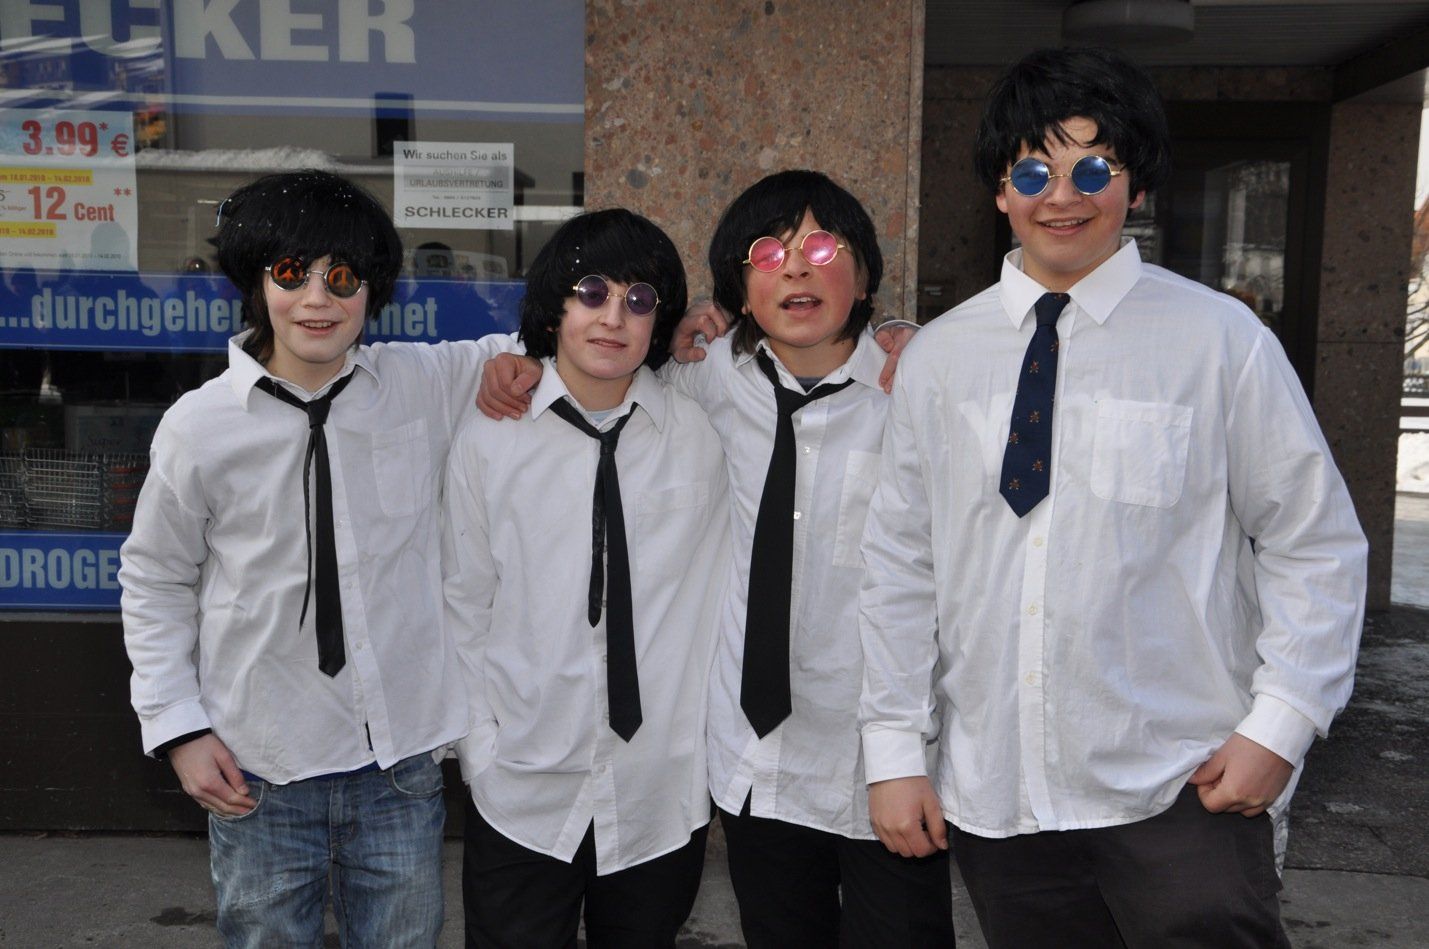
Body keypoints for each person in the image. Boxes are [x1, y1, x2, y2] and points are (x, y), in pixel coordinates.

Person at [858, 47, 1368, 948]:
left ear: (1134, 185)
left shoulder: (1220, 340)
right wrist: (894, 751)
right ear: (1000, 191)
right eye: (1032, 172)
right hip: (1001, 793)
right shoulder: (938, 359)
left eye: (1092, 168)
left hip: (1181, 785)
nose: (1062, 195)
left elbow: (1312, 540)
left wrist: (1280, 725)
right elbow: (901, 565)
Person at [477, 171, 954, 947]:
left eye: (821, 249)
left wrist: (908, 332)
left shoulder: (919, 387)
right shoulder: (701, 381)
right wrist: (518, 359)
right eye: (767, 252)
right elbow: (596, 355)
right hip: (753, 766)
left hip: (885, 757)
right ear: (738, 289)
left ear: (865, 275)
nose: (794, 268)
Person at [119, 169, 517, 947]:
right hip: (258, 767)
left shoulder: (419, 383)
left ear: (371, 289)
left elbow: (573, 339)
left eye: (341, 278)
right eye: (290, 272)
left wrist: (680, 332)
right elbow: (155, 577)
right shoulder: (199, 426)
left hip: (399, 767)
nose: (316, 299)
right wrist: (176, 726)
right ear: (255, 282)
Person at [443, 208, 729, 948]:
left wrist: (895, 332)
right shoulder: (490, 436)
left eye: (640, 300)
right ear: (555, 307)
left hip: (658, 789)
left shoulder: (701, 428)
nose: (613, 317)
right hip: (523, 786)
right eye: (592, 292)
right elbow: (464, 601)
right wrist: (481, 752)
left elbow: (800, 360)